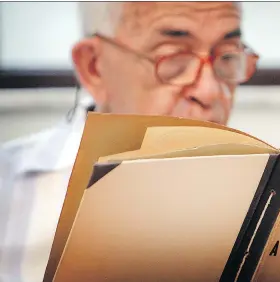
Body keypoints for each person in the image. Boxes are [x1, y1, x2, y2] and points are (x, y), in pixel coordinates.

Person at [0, 2, 259, 282]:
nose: (209, 92)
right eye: (174, 59)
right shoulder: (10, 188)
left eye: (228, 55)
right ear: (95, 67)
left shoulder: (267, 188)